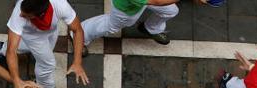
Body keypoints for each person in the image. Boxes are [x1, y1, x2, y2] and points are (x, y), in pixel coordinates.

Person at [0, 0, 88, 88]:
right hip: (32, 36)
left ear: (40, 15)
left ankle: (1, 48)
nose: (21, 14)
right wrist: (16, 80)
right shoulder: (18, 13)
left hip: (51, 30)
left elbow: (77, 30)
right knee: (48, 63)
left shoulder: (60, 4)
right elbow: (12, 51)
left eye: (26, 15)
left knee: (44, 50)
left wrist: (77, 62)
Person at [81, 0, 210, 47]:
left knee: (171, 10)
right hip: (127, 8)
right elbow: (157, 1)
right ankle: (80, 34)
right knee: (111, 26)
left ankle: (151, 29)